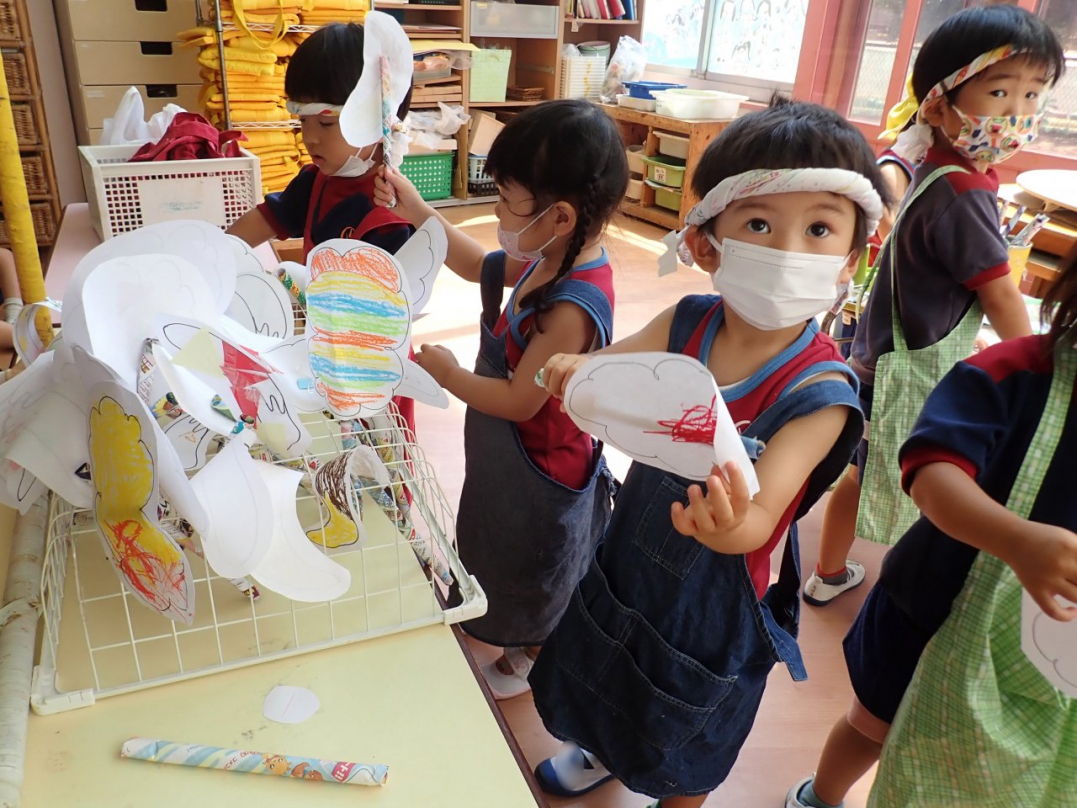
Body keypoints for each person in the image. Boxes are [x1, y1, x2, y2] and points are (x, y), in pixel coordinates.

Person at [528, 97, 890, 807]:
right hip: (632, 556)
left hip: (717, 602)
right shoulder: (686, 321)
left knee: (686, 727)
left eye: (818, 228)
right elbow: (608, 378)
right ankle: (599, 746)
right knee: (609, 651)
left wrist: (732, 527)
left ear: (851, 258)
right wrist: (575, 370)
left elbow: (762, 517)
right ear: (704, 242)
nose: (788, 250)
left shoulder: (820, 392)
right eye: (759, 224)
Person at [788, 242, 1077, 808]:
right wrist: (1018, 541)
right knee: (872, 725)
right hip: (930, 607)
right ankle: (820, 797)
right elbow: (929, 471)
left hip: (1048, 650)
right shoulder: (1016, 371)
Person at [805, 4, 1063, 607]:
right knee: (931, 477)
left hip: (883, 351)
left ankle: (829, 570)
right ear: (941, 106)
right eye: (1000, 92)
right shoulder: (966, 191)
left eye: (1033, 96)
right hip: (911, 368)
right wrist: (1030, 362)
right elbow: (1001, 294)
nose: (1018, 115)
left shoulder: (935, 162)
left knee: (858, 471)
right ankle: (906, 591)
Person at [374, 100, 629, 699]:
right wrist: (415, 207)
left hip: (540, 469)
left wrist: (451, 375)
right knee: (494, 543)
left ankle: (534, 649)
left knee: (532, 564)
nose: (495, 210)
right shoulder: (550, 254)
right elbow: (476, 266)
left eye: (507, 200)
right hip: (504, 461)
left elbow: (520, 401)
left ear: (560, 215)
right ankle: (507, 620)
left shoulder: (572, 304)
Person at [225, 21, 419, 431]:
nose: (308, 139)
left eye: (325, 124)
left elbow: (384, 323)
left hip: (371, 369)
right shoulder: (316, 182)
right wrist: (209, 256)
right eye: (302, 123)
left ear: (376, 117)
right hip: (321, 351)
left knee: (376, 464)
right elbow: (261, 222)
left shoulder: (391, 212)